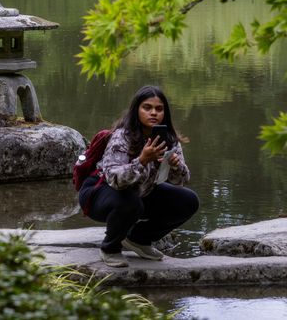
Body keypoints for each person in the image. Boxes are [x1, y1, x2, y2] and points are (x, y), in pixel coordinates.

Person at [79, 85, 199, 268]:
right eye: (147, 108)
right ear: (137, 110)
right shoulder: (122, 136)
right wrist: (142, 160)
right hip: (100, 191)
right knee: (131, 202)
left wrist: (176, 166)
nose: (153, 113)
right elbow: (115, 180)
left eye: (159, 109)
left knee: (188, 201)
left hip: (141, 190)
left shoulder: (169, 139)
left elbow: (180, 181)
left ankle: (138, 239)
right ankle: (110, 248)